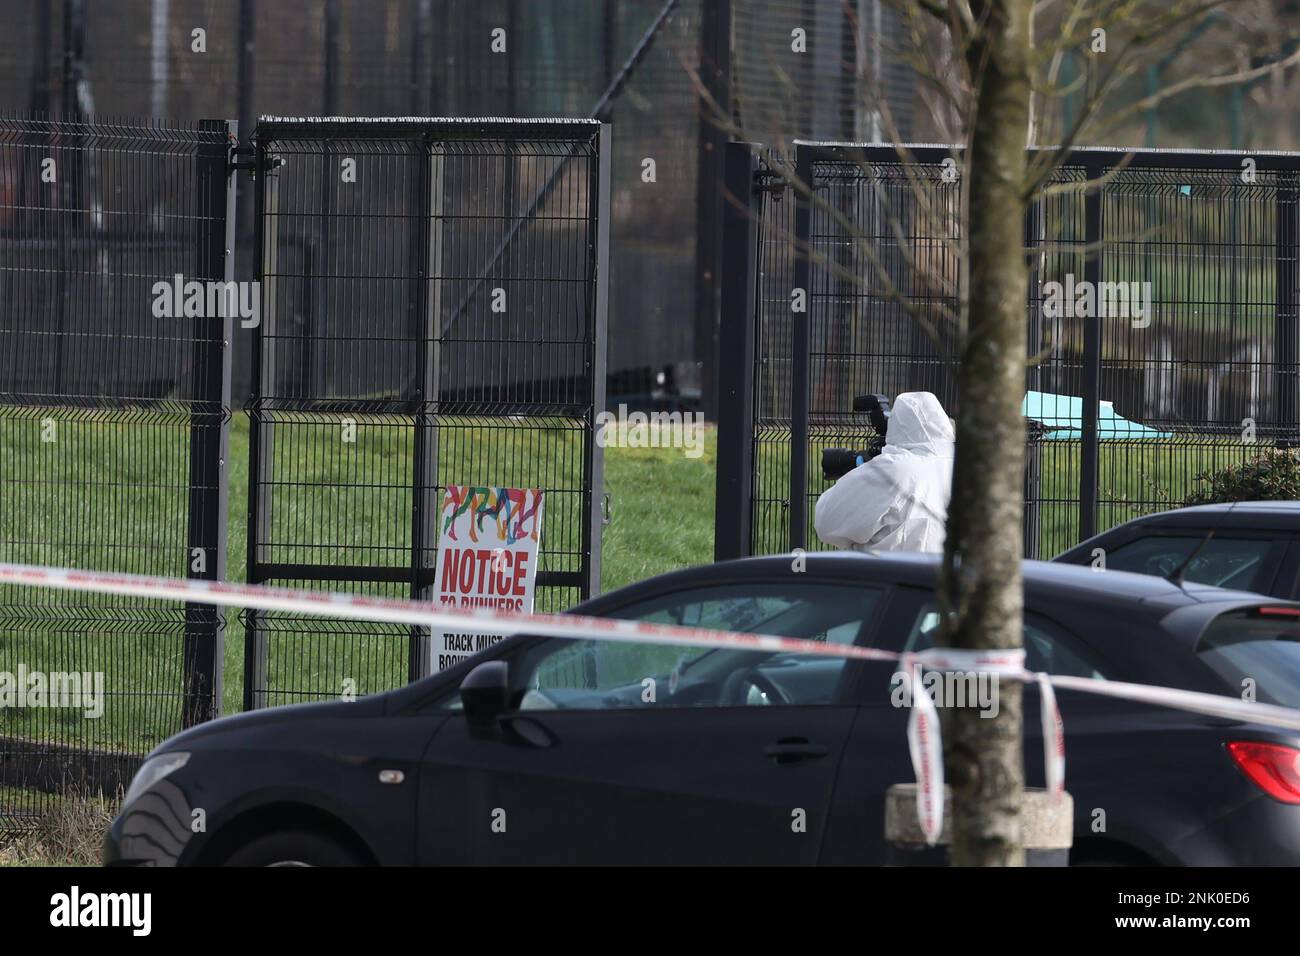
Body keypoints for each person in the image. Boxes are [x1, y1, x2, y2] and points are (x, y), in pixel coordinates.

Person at [814, 391, 955, 553]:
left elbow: (827, 521)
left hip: (885, 573)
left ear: (898, 426)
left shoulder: (897, 470)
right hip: (943, 575)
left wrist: (867, 468)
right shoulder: (957, 468)